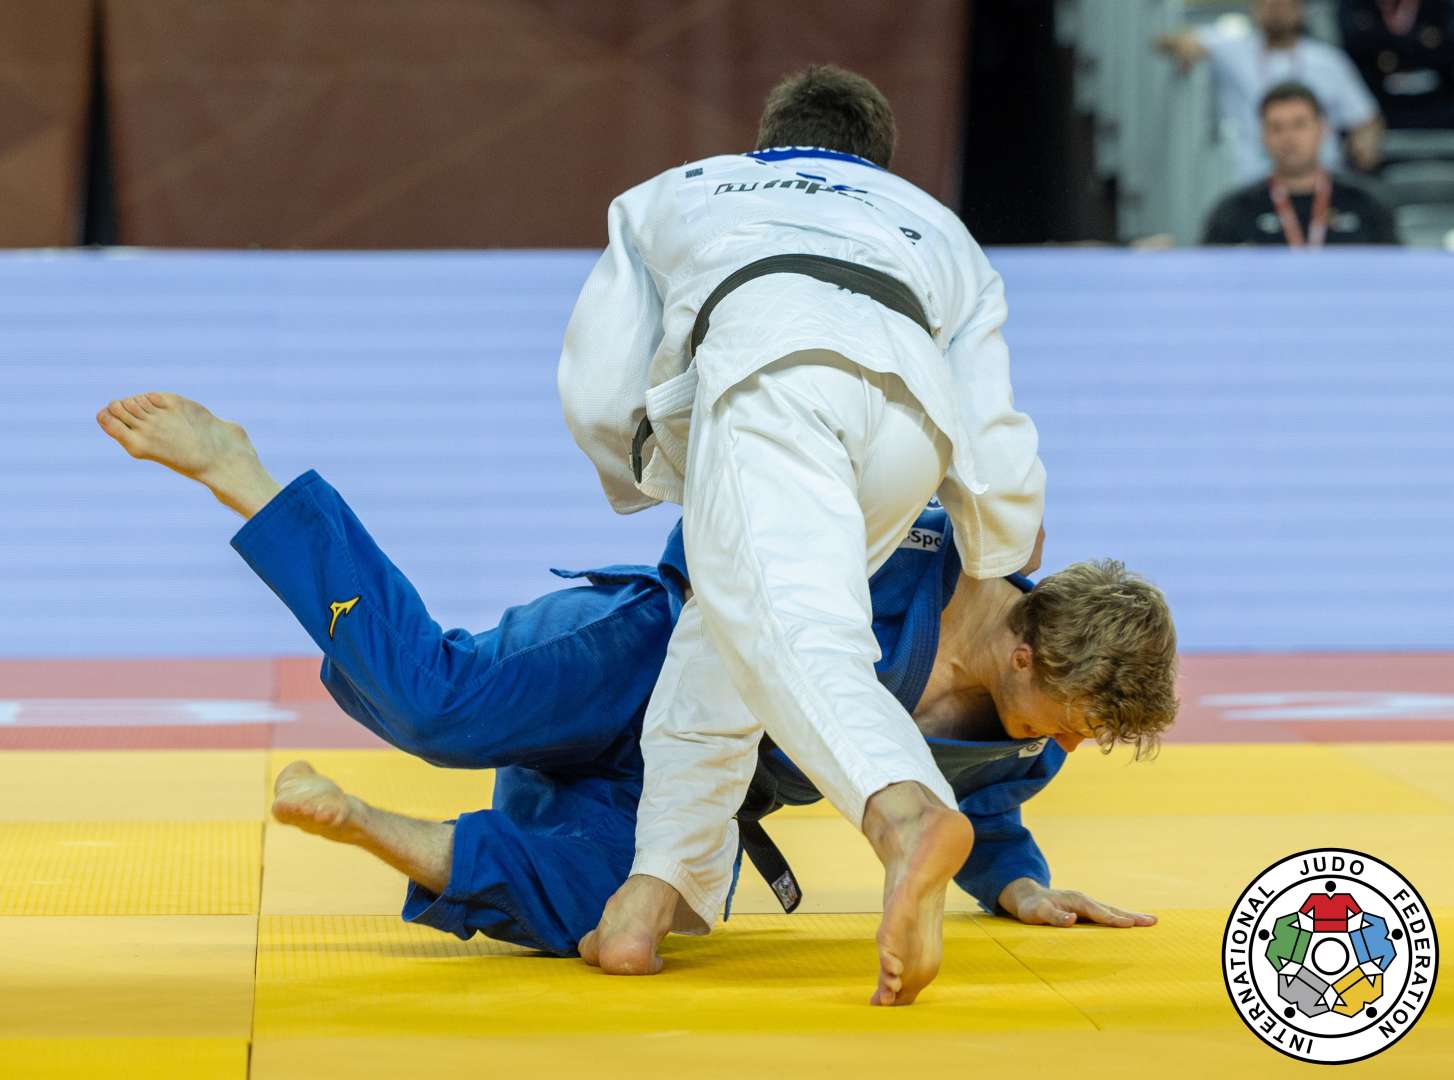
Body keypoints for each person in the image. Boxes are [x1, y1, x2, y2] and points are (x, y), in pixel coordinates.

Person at [93, 391, 1175, 958]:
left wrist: (1020, 886)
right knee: (435, 706)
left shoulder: (1025, 738)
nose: (1067, 744)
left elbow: (980, 813)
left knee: (614, 915)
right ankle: (243, 473)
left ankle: (371, 826)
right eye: (1074, 719)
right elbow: (725, 518)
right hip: (643, 655)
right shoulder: (906, 537)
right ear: (1025, 648)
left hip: (696, 782)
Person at [557, 65, 1045, 1005]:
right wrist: (1000, 535)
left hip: (775, 372)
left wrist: (649, 468)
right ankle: (651, 896)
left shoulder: (676, 190)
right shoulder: (938, 226)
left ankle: (904, 812)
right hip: (912, 427)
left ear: (767, 139)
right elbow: (989, 413)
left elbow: (599, 373)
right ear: (879, 162)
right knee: (727, 638)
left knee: (796, 631)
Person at [1157, 0, 1386, 181]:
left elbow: (1365, 118)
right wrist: (1184, 46)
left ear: (1300, 10)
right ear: (1254, 9)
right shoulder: (1231, 48)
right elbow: (1168, 41)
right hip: (1249, 179)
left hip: (1319, 180)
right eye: (1267, 3)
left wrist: (1365, 145)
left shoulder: (1328, 61)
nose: (1276, 10)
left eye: (1284, 4)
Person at [1203, 82, 1400, 244]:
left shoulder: (1366, 203)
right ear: (1263, 137)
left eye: (1299, 125)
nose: (1289, 138)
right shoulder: (1235, 211)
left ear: (1322, 129)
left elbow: (1395, 271)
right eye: (1277, 128)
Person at [1339, 0, 1454, 129]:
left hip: (1439, 107)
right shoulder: (1355, 6)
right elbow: (1356, 46)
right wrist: (1418, 41)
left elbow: (1446, 49)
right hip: (1379, 108)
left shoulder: (1438, 6)